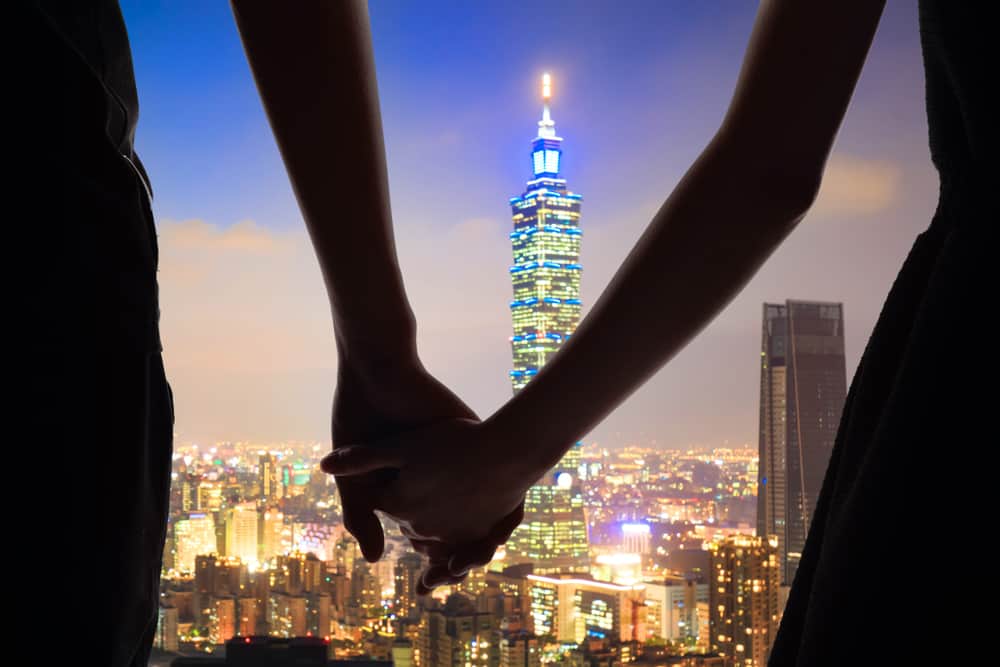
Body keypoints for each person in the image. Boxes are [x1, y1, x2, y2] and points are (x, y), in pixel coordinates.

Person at [322, 1, 991, 663]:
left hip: (961, 393)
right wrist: (489, 442)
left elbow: (771, 166)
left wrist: (397, 364)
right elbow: (770, 179)